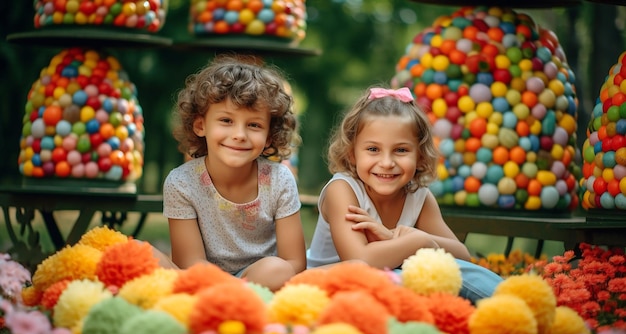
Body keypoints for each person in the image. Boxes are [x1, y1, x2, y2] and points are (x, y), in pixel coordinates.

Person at [306, 86, 503, 303]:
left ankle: (512, 302)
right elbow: (360, 262)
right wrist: (417, 242)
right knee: (399, 278)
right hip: (328, 284)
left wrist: (402, 238)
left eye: (401, 150)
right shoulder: (343, 190)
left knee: (463, 270)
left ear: (419, 156)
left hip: (385, 275)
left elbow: (461, 255)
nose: (387, 163)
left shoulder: (418, 196)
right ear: (352, 154)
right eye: (373, 149)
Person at [161, 54, 306, 292]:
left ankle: (231, 295)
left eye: (254, 125)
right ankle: (232, 294)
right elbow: (189, 263)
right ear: (201, 125)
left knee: (277, 269)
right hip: (199, 277)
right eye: (226, 120)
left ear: (269, 135)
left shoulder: (279, 179)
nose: (239, 134)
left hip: (259, 277)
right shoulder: (181, 182)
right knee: (140, 252)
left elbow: (295, 263)